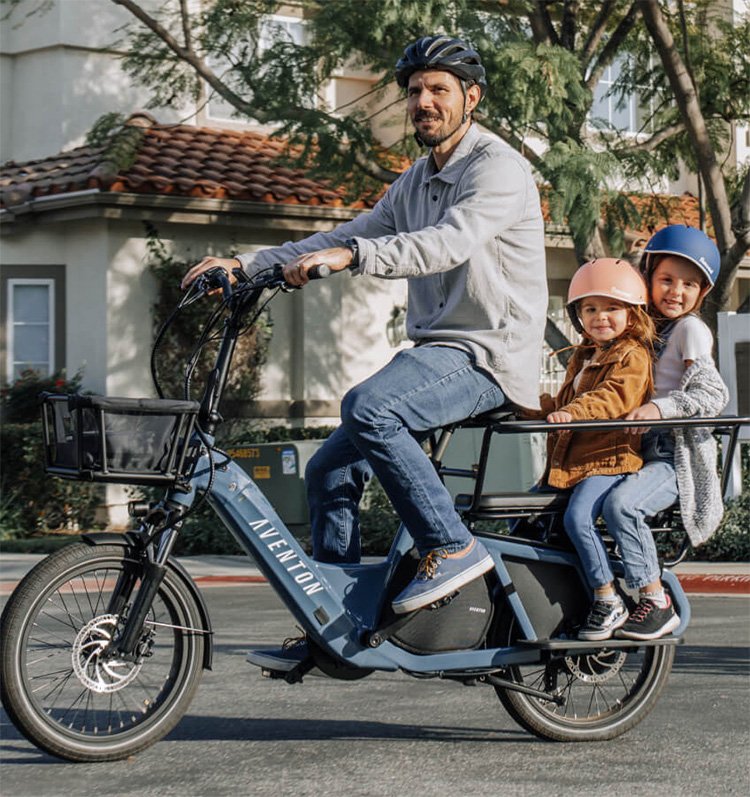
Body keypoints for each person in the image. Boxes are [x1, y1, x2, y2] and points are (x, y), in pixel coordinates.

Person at [182, 35, 547, 664]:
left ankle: (452, 546)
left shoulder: (497, 168)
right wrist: (249, 264)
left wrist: (354, 257)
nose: (424, 102)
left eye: (439, 90)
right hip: (436, 354)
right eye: (414, 92)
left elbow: (445, 243)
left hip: (490, 354)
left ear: (471, 98)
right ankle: (337, 621)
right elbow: (347, 232)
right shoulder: (415, 181)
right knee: (328, 471)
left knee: (370, 407)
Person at [600, 225, 729, 641]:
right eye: (667, 280)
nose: (676, 291)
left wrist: (661, 406)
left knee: (622, 506)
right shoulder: (642, 330)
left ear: (702, 293)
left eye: (690, 284)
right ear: (648, 277)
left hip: (674, 457)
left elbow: (711, 393)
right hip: (635, 450)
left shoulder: (690, 330)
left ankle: (655, 601)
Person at [528, 259, 657, 641]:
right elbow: (561, 403)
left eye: (612, 308)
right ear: (578, 315)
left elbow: (613, 398)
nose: (601, 317)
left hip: (608, 461)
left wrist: (571, 413)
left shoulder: (633, 355)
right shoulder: (583, 356)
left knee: (577, 517)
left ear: (632, 314)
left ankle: (607, 596)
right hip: (570, 464)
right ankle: (552, 594)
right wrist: (524, 405)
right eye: (590, 308)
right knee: (522, 519)